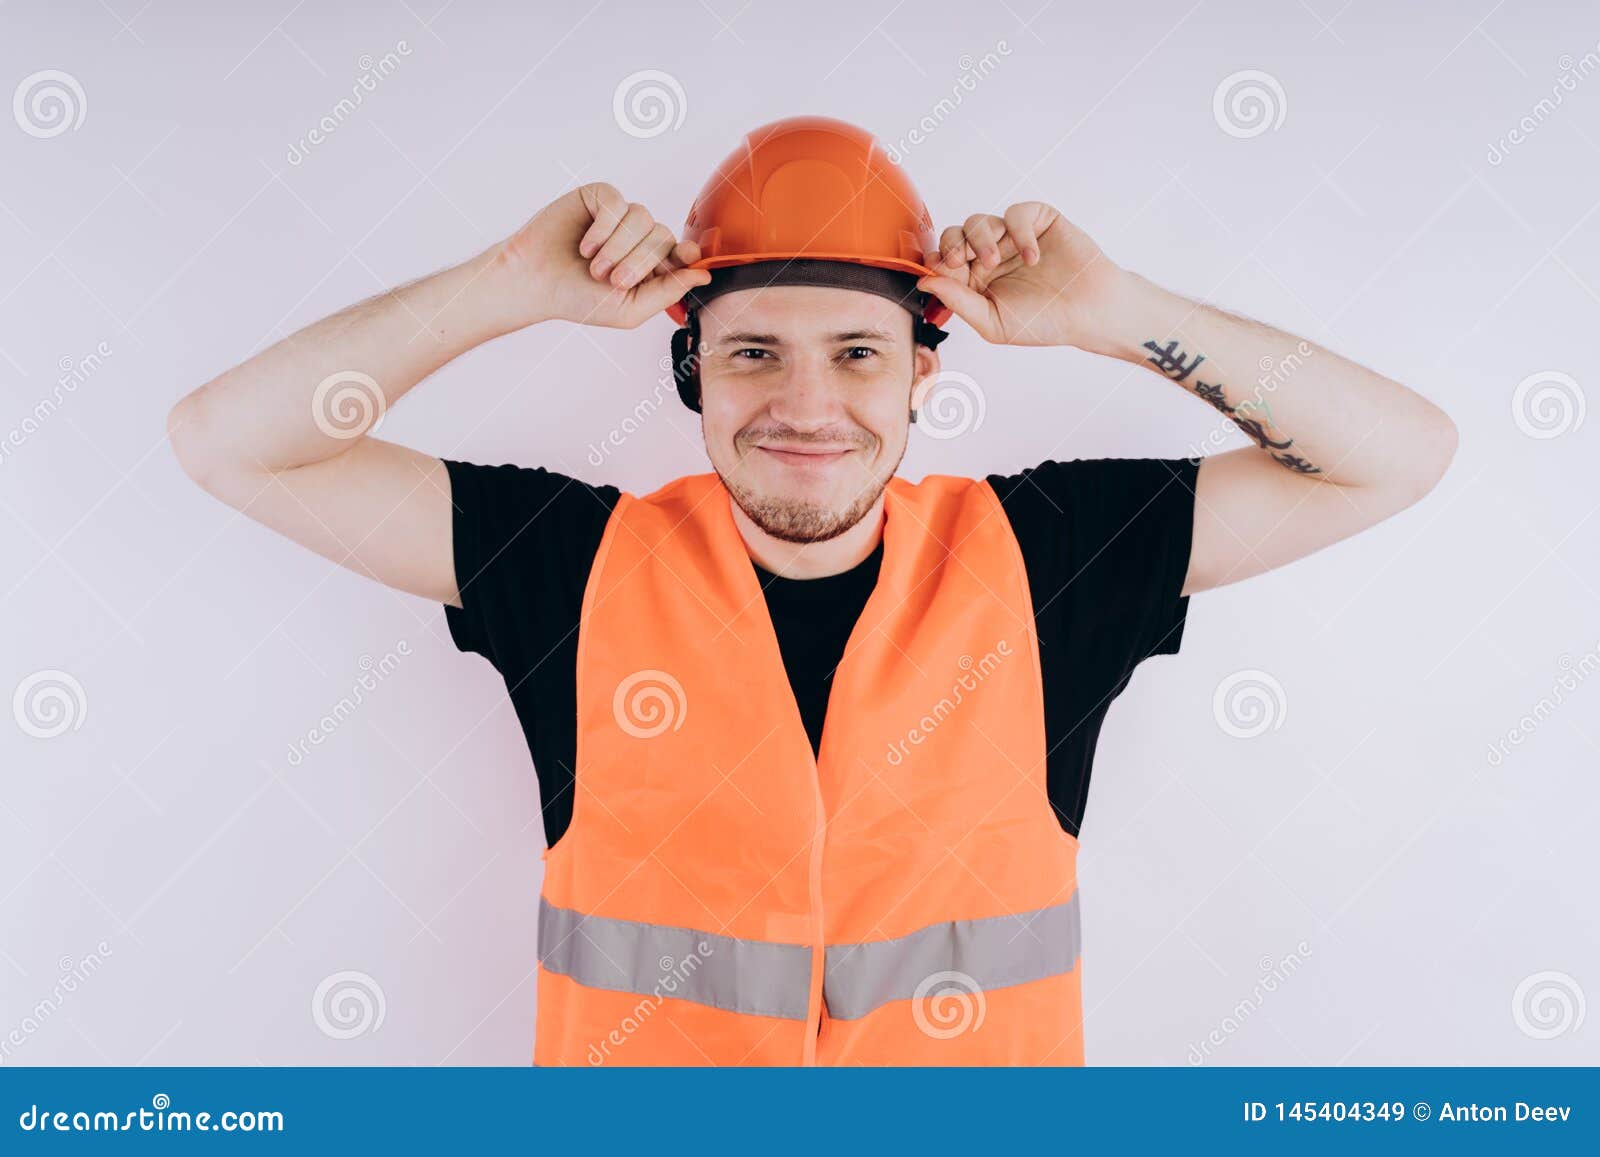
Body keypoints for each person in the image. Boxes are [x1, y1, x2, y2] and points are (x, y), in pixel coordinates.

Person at [167, 116, 1457, 1066]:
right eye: (752, 354)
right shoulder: (566, 565)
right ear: (691, 376)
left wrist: (1121, 314)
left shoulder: (1052, 555)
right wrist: (507, 286)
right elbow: (230, 438)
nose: (805, 406)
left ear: (922, 377)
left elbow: (1398, 456)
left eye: (856, 353)